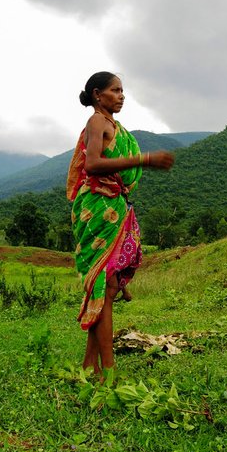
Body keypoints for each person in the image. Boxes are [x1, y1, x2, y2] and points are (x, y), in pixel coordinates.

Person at [66, 71, 175, 377]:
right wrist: (145, 159)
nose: (121, 95)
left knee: (108, 287)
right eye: (115, 90)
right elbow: (93, 164)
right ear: (98, 95)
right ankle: (107, 371)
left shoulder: (115, 126)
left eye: (123, 90)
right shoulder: (97, 121)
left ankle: (91, 364)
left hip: (114, 205)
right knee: (106, 284)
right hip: (97, 207)